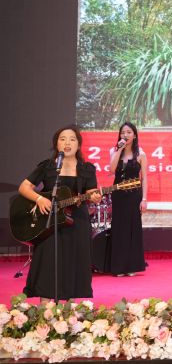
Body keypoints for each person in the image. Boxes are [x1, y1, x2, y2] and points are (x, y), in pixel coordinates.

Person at [19, 125, 102, 300]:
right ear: (56, 144)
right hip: (49, 222)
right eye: (62, 139)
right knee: (47, 264)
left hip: (77, 222)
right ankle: (46, 310)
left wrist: (95, 197)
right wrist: (39, 199)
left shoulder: (86, 168)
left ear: (78, 145)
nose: (67, 143)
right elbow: (24, 187)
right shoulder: (48, 167)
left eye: (72, 139)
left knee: (73, 263)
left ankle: (68, 311)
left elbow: (92, 192)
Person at [109, 122, 148, 277]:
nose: (125, 135)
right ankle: (118, 267)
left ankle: (132, 265)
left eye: (129, 132)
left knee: (133, 229)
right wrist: (119, 150)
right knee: (119, 229)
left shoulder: (141, 154)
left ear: (135, 135)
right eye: (123, 132)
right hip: (118, 195)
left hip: (134, 195)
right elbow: (111, 169)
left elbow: (144, 178)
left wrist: (144, 199)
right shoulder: (114, 151)